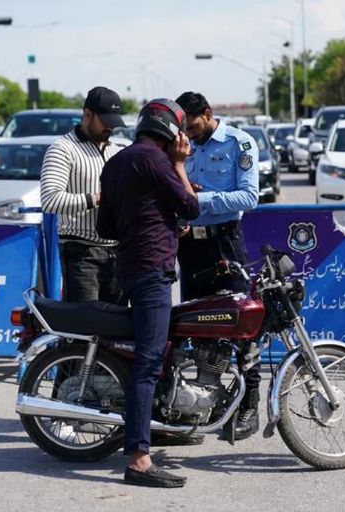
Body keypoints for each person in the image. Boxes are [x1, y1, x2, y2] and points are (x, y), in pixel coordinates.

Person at [97, 98, 199, 488]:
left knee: (150, 353)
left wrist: (156, 219)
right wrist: (180, 165)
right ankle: (139, 459)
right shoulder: (157, 160)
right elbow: (190, 206)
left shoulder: (116, 163)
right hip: (152, 270)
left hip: (127, 267)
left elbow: (106, 227)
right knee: (148, 361)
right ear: (172, 132)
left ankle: (158, 426)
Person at [174, 91, 261, 441]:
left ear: (208, 114)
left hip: (224, 242)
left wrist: (200, 199)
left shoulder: (239, 143)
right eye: (185, 128)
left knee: (242, 325)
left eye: (193, 126)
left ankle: (249, 403)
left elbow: (249, 197)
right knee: (195, 326)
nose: (190, 134)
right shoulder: (181, 146)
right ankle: (201, 405)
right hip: (190, 247)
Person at [40, 86, 126, 303]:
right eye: (105, 121)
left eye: (114, 122)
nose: (110, 127)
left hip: (117, 253)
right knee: (84, 322)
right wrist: (98, 198)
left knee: (116, 321)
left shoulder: (116, 151)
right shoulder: (63, 149)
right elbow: (50, 200)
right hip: (82, 253)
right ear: (88, 114)